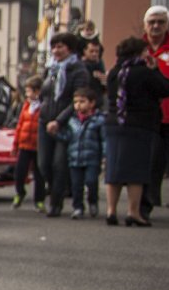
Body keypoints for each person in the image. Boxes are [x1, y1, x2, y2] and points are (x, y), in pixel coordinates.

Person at [104, 35, 169, 226]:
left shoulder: (114, 72)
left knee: (114, 168)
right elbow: (167, 89)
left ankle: (111, 211)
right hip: (139, 125)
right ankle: (133, 212)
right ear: (138, 53)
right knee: (137, 170)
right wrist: (156, 69)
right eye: (145, 51)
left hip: (114, 124)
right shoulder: (144, 72)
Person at [38, 32, 90, 216]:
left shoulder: (78, 70)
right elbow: (43, 94)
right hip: (45, 120)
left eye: (60, 46)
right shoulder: (50, 69)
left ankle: (56, 202)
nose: (56, 50)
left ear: (70, 48)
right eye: (54, 47)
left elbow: (77, 100)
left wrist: (59, 120)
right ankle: (54, 191)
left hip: (65, 123)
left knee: (59, 164)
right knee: (43, 163)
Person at [141, 6, 169, 216]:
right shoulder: (137, 48)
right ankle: (145, 208)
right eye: (152, 22)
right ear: (145, 24)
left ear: (168, 24)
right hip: (148, 118)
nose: (156, 26)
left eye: (161, 22)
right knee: (150, 164)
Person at [47, 89, 105, 219]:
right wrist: (55, 133)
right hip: (75, 159)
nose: (78, 105)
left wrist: (105, 155)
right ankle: (78, 207)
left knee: (91, 181)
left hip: (92, 158)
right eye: (75, 102)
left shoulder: (99, 119)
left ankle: (93, 201)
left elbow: (104, 139)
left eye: (82, 101)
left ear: (92, 103)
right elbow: (68, 137)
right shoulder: (72, 121)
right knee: (76, 185)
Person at [12, 76, 44, 210]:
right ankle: (20, 192)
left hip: (38, 146)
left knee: (39, 174)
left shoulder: (43, 107)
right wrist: (15, 144)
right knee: (20, 172)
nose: (27, 94)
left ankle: (39, 200)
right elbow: (19, 125)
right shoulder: (26, 106)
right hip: (24, 145)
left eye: (29, 91)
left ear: (37, 92)